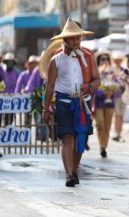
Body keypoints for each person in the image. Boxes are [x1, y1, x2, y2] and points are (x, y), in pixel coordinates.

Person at [42, 18, 100, 187]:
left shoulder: (89, 57)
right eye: (72, 38)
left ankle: (74, 170)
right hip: (64, 103)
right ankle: (68, 174)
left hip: (84, 103)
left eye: (78, 37)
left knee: (80, 138)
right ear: (65, 40)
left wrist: (88, 86)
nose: (76, 41)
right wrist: (46, 109)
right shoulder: (56, 60)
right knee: (67, 138)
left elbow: (98, 82)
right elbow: (50, 86)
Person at [93, 49, 117, 158]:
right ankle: (101, 146)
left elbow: (117, 88)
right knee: (99, 125)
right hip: (99, 102)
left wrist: (111, 90)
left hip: (110, 103)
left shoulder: (112, 73)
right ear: (99, 60)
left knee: (107, 125)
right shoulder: (95, 72)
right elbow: (93, 88)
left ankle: (104, 146)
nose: (105, 61)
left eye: (107, 59)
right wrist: (102, 91)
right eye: (103, 59)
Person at [111, 51, 126, 142]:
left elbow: (127, 80)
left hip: (123, 96)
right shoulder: (112, 71)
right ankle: (116, 133)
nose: (118, 62)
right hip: (115, 96)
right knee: (117, 115)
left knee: (121, 115)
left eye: (119, 60)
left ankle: (119, 133)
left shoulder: (124, 70)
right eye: (116, 60)